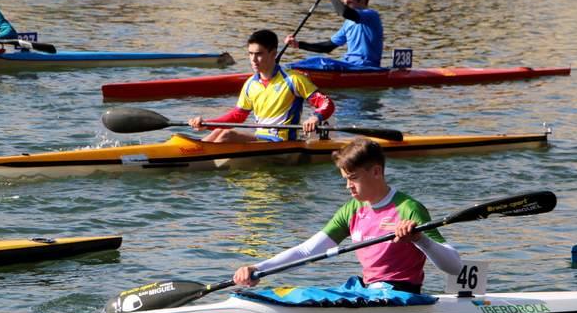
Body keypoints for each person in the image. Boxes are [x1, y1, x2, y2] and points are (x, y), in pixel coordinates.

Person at [234, 138, 462, 294]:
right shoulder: (352, 210)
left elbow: (455, 266)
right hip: (367, 290)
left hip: (401, 295)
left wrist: (419, 239)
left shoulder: (409, 208)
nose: (348, 187)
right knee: (302, 294)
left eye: (352, 178)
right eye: (345, 179)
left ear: (376, 172)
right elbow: (307, 251)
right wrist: (259, 268)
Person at [188, 29, 335, 143]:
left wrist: (315, 118)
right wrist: (207, 124)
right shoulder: (250, 84)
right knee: (218, 132)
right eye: (250, 54)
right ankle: (191, 152)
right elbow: (237, 116)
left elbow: (326, 103)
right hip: (260, 139)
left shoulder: (294, 79)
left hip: (282, 142)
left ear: (273, 54)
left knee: (227, 134)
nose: (253, 59)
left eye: (258, 54)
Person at [285, 0, 384, 67]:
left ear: (362, 2)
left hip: (366, 66)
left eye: (349, 3)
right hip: (350, 64)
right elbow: (327, 47)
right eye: (344, 3)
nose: (345, 6)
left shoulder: (371, 15)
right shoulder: (348, 23)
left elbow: (344, 12)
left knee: (324, 63)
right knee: (314, 60)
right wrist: (298, 44)